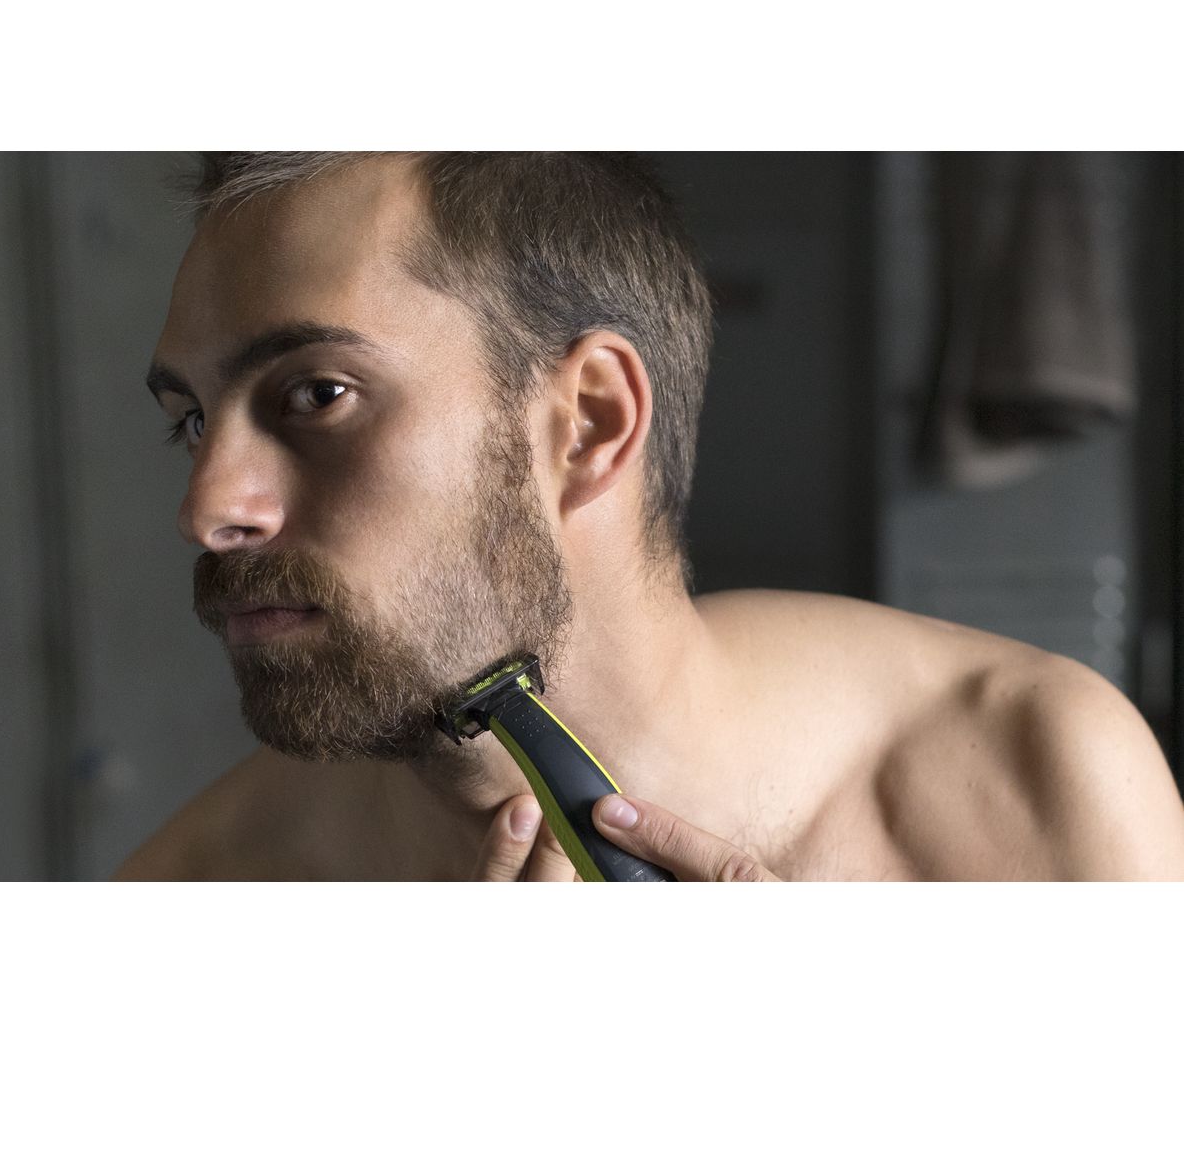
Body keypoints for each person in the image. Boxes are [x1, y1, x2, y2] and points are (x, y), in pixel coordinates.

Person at [114, 152, 1184, 881]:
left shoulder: (1036, 786)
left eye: (316, 394)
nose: (207, 507)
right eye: (190, 422)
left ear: (587, 422)